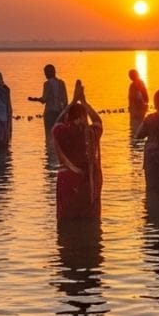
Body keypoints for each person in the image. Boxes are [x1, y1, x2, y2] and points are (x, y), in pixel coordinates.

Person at [51, 82, 104, 220]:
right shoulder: (91, 132)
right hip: (87, 182)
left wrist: (73, 102)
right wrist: (84, 102)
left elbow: (56, 123)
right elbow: (98, 120)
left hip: (68, 181)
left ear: (69, 117)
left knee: (67, 223)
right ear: (83, 117)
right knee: (88, 221)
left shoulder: (62, 132)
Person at [29, 64, 68, 138]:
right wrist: (65, 113)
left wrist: (34, 99)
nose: (45, 74)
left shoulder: (47, 84)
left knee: (49, 135)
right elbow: (65, 100)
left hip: (49, 112)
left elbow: (44, 100)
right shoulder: (61, 83)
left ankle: (49, 149)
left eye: (45, 72)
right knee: (60, 136)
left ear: (49, 72)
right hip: (60, 112)